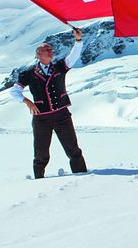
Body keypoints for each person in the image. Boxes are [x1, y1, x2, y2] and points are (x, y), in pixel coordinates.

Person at [10, 27, 87, 179]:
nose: (50, 51)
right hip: (41, 118)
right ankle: (39, 180)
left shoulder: (60, 66)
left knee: (73, 149)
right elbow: (14, 91)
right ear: (39, 54)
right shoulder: (29, 73)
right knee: (41, 152)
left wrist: (78, 40)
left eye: (51, 49)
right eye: (47, 50)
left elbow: (74, 56)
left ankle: (83, 177)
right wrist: (27, 102)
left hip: (62, 114)